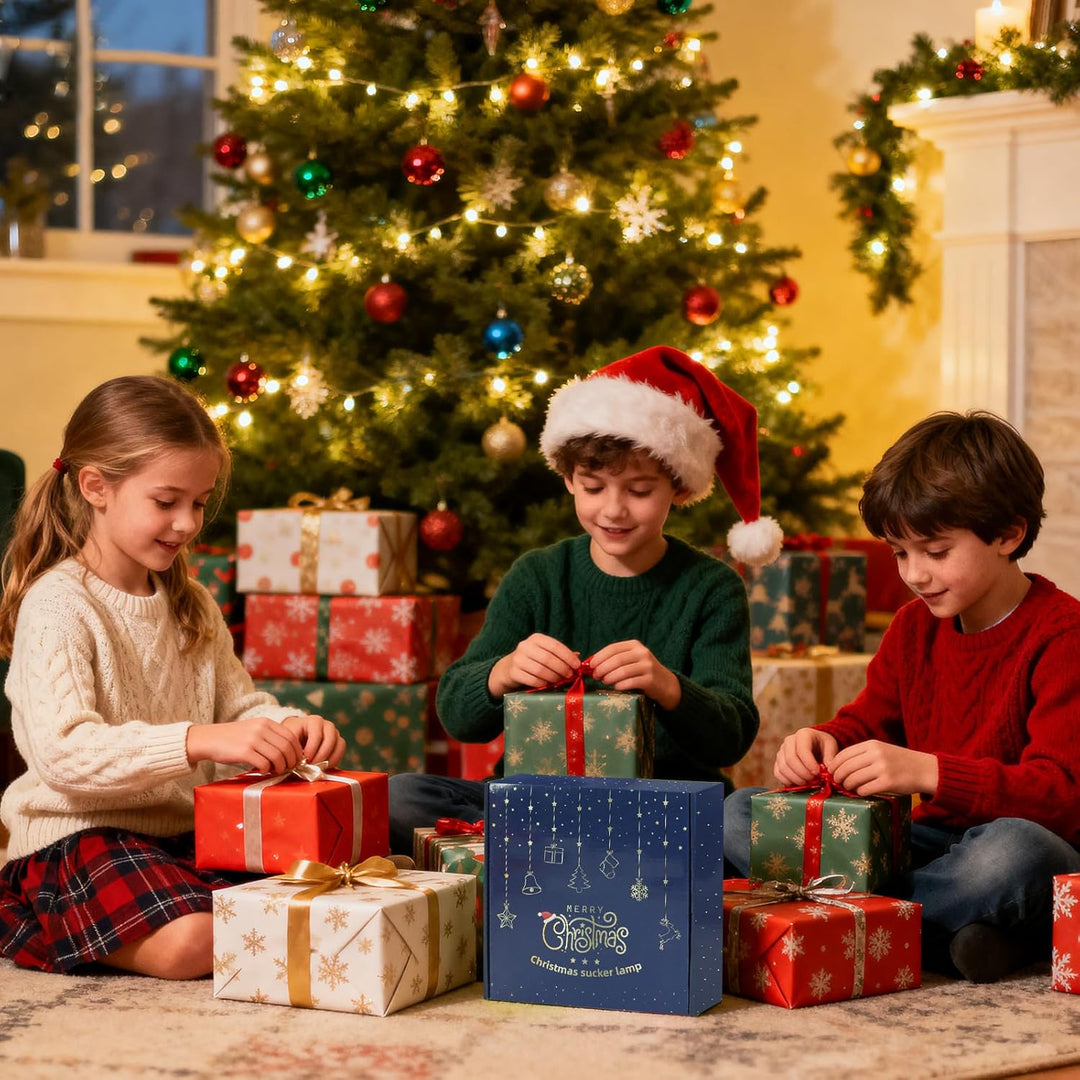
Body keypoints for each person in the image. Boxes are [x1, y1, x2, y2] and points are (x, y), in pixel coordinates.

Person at [0, 375, 346, 980]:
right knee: (197, 943)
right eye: (167, 502)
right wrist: (196, 740)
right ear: (95, 487)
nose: (187, 523)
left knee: (315, 896)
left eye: (199, 501)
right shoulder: (58, 604)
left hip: (188, 831)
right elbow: (63, 753)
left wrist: (288, 726)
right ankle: (26, 913)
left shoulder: (191, 601)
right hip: (80, 840)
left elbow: (239, 706)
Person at [723, 410, 1080, 983]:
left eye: (935, 552)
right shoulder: (914, 627)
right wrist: (825, 741)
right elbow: (870, 721)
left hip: (1021, 845)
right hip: (920, 847)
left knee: (1016, 855)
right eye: (899, 553)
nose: (914, 574)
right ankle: (954, 936)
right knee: (739, 812)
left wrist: (930, 772)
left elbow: (1064, 796)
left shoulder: (1063, 637)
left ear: (1008, 535)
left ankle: (838, 926)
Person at [389, 344, 784, 853]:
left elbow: (731, 736)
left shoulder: (711, 587)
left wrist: (669, 688)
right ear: (569, 479)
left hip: (661, 809)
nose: (613, 510)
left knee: (739, 819)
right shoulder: (538, 576)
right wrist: (501, 673)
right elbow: (458, 716)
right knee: (402, 796)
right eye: (593, 487)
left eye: (640, 491)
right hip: (532, 802)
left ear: (679, 489)